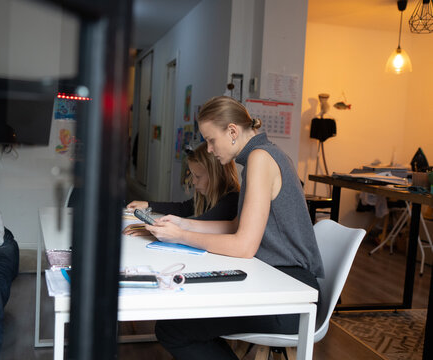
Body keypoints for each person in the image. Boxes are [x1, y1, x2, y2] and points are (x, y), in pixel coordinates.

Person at [143, 96, 325, 360]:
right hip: (280, 284)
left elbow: (243, 246)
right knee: (184, 319)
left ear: (232, 131)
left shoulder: (260, 159)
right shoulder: (260, 156)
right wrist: (183, 223)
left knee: (173, 329)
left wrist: (181, 236)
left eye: (211, 140)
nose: (208, 149)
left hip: (292, 297)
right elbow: (236, 226)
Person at [123, 142, 240, 236]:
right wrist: (148, 204)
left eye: (198, 176)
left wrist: (152, 229)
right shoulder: (205, 197)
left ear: (217, 176)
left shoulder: (231, 200)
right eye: (192, 176)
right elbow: (182, 208)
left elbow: (198, 224)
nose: (193, 182)